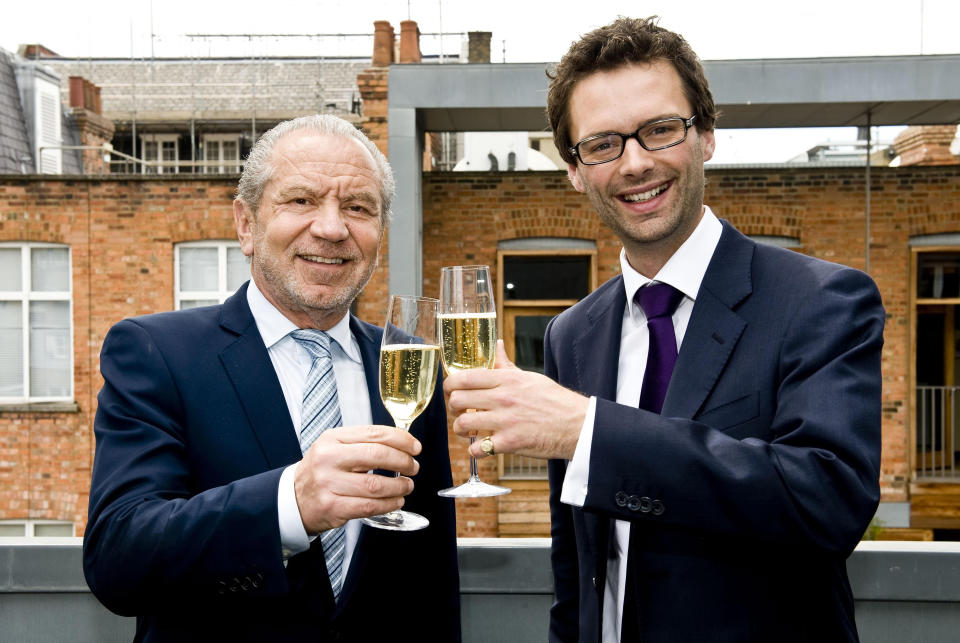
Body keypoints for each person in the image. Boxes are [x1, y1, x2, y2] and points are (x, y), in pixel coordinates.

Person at [443, 16, 884, 643]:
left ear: (705, 135)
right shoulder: (573, 334)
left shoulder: (821, 300)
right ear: (574, 170)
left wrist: (588, 431)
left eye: (659, 130)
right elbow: (579, 569)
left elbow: (830, 502)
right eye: (602, 145)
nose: (636, 163)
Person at [83, 114, 461, 642]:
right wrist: (290, 504)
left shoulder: (409, 362)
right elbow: (118, 557)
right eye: (302, 200)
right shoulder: (155, 352)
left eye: (358, 208)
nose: (332, 228)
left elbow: (431, 575)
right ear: (246, 225)